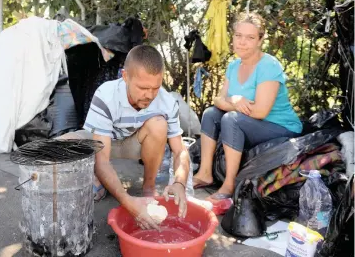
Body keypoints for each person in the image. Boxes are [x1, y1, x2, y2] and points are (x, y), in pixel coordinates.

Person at [192, 12, 303, 206]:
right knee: (211, 114)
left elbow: (260, 112)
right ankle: (205, 173)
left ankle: (229, 185)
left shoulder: (268, 65)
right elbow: (218, 99)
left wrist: (232, 105)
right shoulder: (233, 66)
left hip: (280, 126)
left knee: (231, 119)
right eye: (238, 36)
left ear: (260, 40)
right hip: (251, 122)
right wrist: (235, 100)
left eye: (250, 37)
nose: (242, 42)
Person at [84, 45, 190, 230]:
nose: (149, 95)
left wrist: (180, 182)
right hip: (102, 143)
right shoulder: (105, 94)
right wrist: (127, 201)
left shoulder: (166, 101)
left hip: (134, 143)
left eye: (155, 88)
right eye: (142, 88)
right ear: (125, 76)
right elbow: (102, 160)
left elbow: (180, 150)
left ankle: (148, 188)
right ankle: (97, 178)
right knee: (59, 148)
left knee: (159, 124)